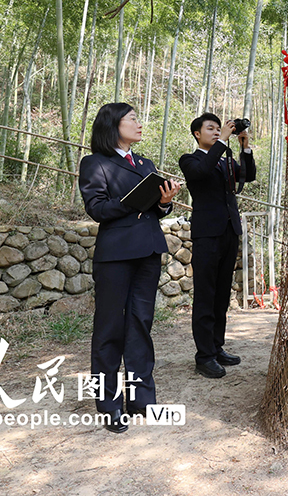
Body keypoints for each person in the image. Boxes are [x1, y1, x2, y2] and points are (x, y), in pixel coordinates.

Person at [78, 103, 181, 433]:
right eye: (132, 119)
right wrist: (133, 200)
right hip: (116, 255)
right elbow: (96, 208)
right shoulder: (95, 163)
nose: (139, 124)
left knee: (140, 325)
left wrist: (163, 201)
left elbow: (153, 210)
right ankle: (109, 406)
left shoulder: (145, 163)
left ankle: (142, 400)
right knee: (110, 329)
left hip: (148, 250)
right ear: (113, 125)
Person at [178, 113, 256, 379]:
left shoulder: (224, 161)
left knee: (222, 295)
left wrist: (244, 146)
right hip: (207, 235)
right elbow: (201, 172)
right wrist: (223, 140)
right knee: (206, 295)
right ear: (197, 134)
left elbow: (249, 175)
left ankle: (217, 347)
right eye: (210, 128)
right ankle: (204, 356)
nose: (216, 131)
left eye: (218, 128)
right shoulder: (190, 160)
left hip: (229, 232)